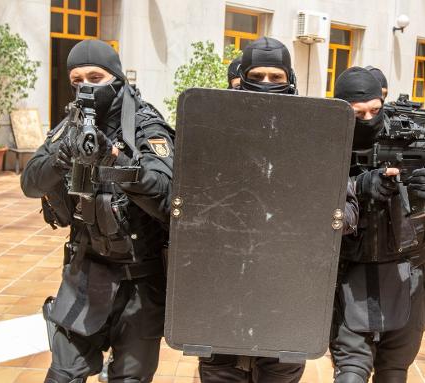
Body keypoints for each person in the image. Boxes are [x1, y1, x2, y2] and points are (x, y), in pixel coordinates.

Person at [199, 36, 357, 383]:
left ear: (290, 80)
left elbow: (348, 208)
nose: (267, 84)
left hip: (285, 292)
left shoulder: (314, 135)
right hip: (222, 288)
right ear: (241, 77)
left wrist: (323, 218)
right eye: (259, 75)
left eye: (276, 77)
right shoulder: (211, 127)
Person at [21, 40, 174, 383]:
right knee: (62, 375)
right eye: (77, 80)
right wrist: (59, 160)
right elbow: (30, 182)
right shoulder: (69, 126)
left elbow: (167, 199)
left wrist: (116, 159)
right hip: (86, 274)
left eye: (95, 76)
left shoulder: (145, 125)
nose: (86, 86)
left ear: (116, 78)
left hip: (140, 284)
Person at [330, 66, 425, 383]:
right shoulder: (329, 145)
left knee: (393, 374)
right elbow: (309, 204)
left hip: (408, 280)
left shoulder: (415, 141)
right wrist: (359, 185)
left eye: (375, 111)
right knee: (349, 376)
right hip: (349, 280)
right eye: (358, 114)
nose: (368, 120)